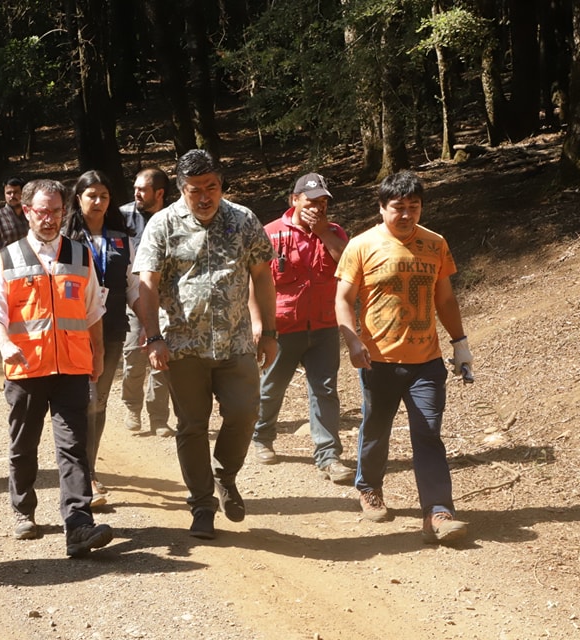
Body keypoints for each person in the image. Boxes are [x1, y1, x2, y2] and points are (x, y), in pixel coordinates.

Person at [134, 150, 278, 540]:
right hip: (182, 347)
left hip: (235, 342)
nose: (204, 196)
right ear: (181, 189)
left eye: (211, 187)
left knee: (245, 412)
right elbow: (146, 284)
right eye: (195, 189)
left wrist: (269, 331)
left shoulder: (243, 219)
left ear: (220, 185)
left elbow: (262, 276)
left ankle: (225, 475)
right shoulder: (162, 225)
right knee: (192, 426)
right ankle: (201, 504)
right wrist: (153, 338)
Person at [335, 170, 473, 546]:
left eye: (414, 207)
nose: (407, 215)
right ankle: (368, 487)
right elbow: (343, 300)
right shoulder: (362, 246)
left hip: (426, 360)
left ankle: (438, 512)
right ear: (382, 209)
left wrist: (460, 343)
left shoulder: (435, 244)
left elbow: (444, 298)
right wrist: (352, 341)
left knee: (428, 435)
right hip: (377, 360)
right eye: (398, 208)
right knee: (376, 429)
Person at [0, 178, 115, 558]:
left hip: (72, 367)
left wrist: (99, 352)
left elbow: (93, 309)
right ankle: (23, 510)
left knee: (74, 447)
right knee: (24, 445)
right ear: (27, 212)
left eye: (57, 211)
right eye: (42, 211)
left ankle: (78, 524)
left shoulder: (79, 254)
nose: (50, 219)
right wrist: (6, 344)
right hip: (26, 368)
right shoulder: (8, 258)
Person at [251, 173, 354, 484]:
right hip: (282, 328)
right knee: (271, 389)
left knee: (324, 391)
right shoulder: (270, 234)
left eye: (323, 203)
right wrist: (258, 323)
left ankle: (328, 456)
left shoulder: (335, 233)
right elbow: (252, 283)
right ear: (294, 200)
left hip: (323, 327)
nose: (318, 208)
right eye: (311, 202)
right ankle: (261, 437)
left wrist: (323, 233)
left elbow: (349, 267)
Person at [63, 170, 140, 507]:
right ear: (78, 198)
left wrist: (150, 326)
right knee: (78, 401)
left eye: (104, 196)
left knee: (98, 401)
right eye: (91, 195)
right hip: (69, 331)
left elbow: (135, 287)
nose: (98, 202)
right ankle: (80, 473)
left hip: (110, 331)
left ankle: (87, 471)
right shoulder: (65, 239)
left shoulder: (123, 239)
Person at [118, 168, 173, 437]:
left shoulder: (173, 218)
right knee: (133, 356)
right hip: (134, 297)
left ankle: (159, 417)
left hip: (166, 301)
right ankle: (131, 407)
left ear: (159, 193)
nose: (136, 193)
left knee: (162, 358)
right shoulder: (122, 215)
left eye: (143, 189)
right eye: (135, 187)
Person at [0, 177, 27, 280]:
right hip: (6, 272)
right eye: (8, 193)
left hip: (30, 270)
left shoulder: (30, 216)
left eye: (16, 192)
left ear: (23, 194)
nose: (12, 196)